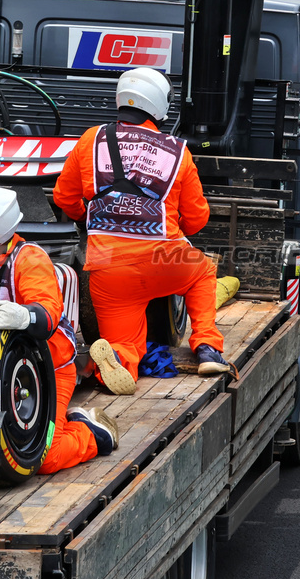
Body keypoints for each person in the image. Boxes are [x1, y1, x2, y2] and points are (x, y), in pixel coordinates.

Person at [52, 68, 229, 396]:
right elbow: (197, 218)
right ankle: (207, 347)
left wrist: (86, 221)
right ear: (160, 105)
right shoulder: (177, 151)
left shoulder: (91, 140)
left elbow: (64, 198)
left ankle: (114, 361)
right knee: (204, 272)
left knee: (125, 343)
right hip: (164, 258)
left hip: (107, 267)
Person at [0, 187, 119, 471]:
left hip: (50, 368)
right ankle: (63, 422)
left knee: (45, 457)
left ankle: (93, 433)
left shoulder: (28, 258)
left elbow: (48, 315)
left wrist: (24, 316)